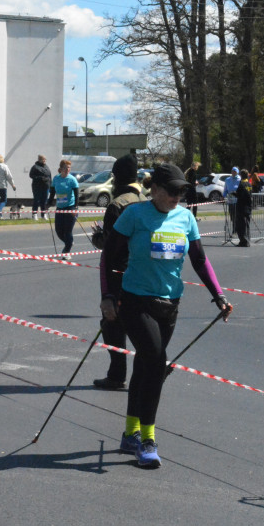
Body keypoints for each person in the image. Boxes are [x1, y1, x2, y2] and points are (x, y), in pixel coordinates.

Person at [100, 162, 233, 468]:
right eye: (171, 191)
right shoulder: (134, 215)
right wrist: (108, 296)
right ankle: (147, 440)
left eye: (182, 191)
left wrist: (219, 295)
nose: (177, 197)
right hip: (135, 302)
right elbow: (109, 256)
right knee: (156, 362)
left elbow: (199, 259)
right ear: (155, 190)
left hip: (170, 305)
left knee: (145, 367)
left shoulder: (186, 218)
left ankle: (129, 433)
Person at [91, 154, 147, 391]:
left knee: (112, 324)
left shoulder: (117, 205)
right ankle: (144, 375)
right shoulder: (147, 201)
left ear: (117, 178)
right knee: (141, 328)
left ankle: (117, 375)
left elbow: (112, 248)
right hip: (145, 273)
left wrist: (99, 239)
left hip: (120, 273)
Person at [49, 159, 80, 257]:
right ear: (61, 169)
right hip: (60, 208)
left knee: (67, 231)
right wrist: (48, 204)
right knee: (59, 231)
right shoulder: (56, 179)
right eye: (66, 168)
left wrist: (75, 208)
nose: (68, 170)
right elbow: (52, 193)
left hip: (70, 207)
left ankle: (67, 251)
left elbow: (76, 194)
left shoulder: (72, 179)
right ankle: (69, 242)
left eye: (69, 168)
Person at [29, 154, 52, 220]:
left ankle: (44, 214)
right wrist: (40, 178)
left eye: (45, 159)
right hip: (37, 186)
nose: (44, 160)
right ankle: (34, 214)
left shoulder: (47, 167)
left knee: (44, 201)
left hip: (46, 186)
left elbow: (50, 176)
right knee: (37, 200)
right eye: (43, 159)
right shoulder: (35, 167)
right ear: (39, 160)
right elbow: (31, 175)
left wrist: (50, 185)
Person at [234, 168, 252, 247]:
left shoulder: (241, 185)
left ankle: (243, 241)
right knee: (247, 225)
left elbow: (240, 195)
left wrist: (234, 193)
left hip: (241, 208)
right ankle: (247, 240)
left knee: (241, 225)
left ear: (241, 176)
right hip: (248, 207)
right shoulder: (249, 184)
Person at [223, 167, 240, 241]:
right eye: (233, 171)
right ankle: (235, 229)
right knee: (232, 216)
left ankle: (235, 231)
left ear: (237, 172)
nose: (234, 173)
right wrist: (223, 196)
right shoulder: (228, 180)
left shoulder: (240, 179)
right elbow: (225, 190)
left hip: (237, 201)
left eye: (235, 171)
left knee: (236, 216)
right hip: (230, 201)